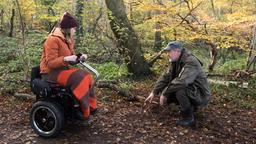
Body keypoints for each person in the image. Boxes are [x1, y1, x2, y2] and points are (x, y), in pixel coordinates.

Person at [40, 12, 97, 124]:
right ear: (66, 28)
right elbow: (50, 63)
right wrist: (66, 59)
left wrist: (79, 58)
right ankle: (81, 112)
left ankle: (90, 106)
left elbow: (72, 57)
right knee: (79, 77)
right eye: (73, 28)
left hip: (62, 71)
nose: (74, 30)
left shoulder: (67, 38)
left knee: (87, 75)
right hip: (50, 73)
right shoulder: (52, 40)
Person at [145, 41, 211, 127]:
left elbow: (183, 82)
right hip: (193, 90)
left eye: (169, 51)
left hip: (201, 95)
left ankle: (188, 118)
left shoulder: (191, 61)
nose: (168, 54)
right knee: (171, 88)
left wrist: (165, 93)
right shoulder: (176, 61)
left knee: (179, 89)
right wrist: (154, 92)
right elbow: (166, 77)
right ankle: (190, 108)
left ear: (177, 51)